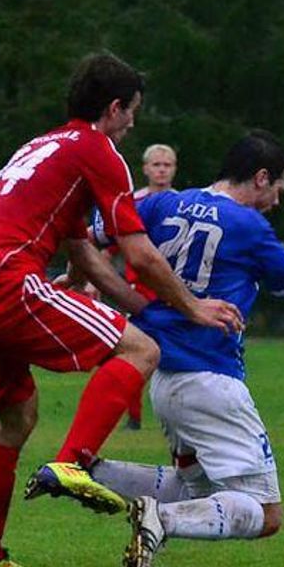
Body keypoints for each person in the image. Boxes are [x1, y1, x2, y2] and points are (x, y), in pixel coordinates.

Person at [0, 52, 244, 567]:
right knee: (141, 350)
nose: (132, 125)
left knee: (17, 417)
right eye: (132, 113)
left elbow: (83, 255)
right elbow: (141, 255)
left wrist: (148, 309)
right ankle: (72, 462)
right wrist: (191, 306)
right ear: (115, 106)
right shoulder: (98, 150)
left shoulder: (42, 144)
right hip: (5, 283)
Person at [81, 130, 284, 567]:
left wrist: (92, 279)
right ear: (261, 178)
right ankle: (160, 520)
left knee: (197, 489)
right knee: (266, 513)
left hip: (163, 378)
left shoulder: (159, 204)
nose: (277, 202)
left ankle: (92, 474)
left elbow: (88, 229)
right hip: (212, 380)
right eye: (278, 188)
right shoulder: (248, 226)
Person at [119, 143, 179, 429]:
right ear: (145, 169)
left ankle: (179, 413)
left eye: (167, 165)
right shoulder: (134, 203)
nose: (162, 170)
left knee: (174, 355)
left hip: (173, 290)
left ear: (174, 169)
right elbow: (108, 244)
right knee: (138, 352)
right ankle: (134, 416)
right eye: (157, 165)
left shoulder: (186, 204)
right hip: (139, 292)